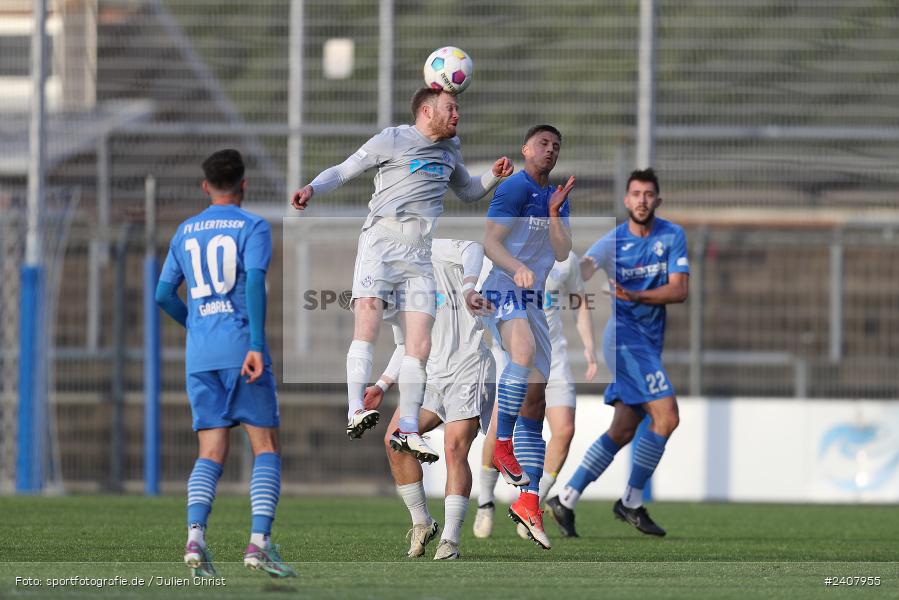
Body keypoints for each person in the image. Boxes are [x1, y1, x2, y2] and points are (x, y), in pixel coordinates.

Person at [291, 88, 512, 463]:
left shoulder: (450, 150)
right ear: (427, 111)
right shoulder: (392, 139)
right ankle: (354, 409)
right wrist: (312, 186)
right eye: (450, 107)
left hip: (420, 252)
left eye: (457, 107)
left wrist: (492, 176)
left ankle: (408, 428)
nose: (457, 113)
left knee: (419, 344)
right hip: (383, 241)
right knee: (368, 320)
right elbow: (344, 171)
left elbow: (469, 191)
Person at [155, 149, 296, 578]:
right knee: (265, 446)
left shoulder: (184, 231)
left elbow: (163, 296)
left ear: (205, 186)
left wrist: (196, 328)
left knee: (210, 451)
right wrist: (255, 343)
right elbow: (254, 280)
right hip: (241, 349)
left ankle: (195, 537)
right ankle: (259, 544)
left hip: (201, 356)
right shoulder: (252, 226)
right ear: (244, 184)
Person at [546, 167, 689, 538]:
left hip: (649, 340)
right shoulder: (613, 242)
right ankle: (631, 500)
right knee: (667, 416)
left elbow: (678, 290)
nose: (642, 200)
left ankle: (567, 497)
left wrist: (636, 294)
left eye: (648, 194)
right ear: (626, 200)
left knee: (624, 427)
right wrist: (556, 225)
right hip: (624, 340)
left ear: (657, 199)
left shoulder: (672, 236)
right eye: (635, 194)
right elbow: (583, 269)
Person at [364, 239, 495, 560]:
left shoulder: (433, 247)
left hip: (467, 365)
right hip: (429, 374)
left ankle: (450, 540)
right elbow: (406, 345)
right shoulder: (394, 287)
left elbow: (474, 248)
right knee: (395, 441)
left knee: (454, 449)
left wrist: (467, 288)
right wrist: (382, 383)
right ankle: (422, 522)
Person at [480, 124, 574, 549]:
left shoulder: (556, 196)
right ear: (525, 149)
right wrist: (514, 265)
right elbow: (490, 243)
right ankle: (500, 446)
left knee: (535, 398)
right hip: (503, 286)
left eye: (555, 146)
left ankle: (529, 500)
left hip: (534, 299)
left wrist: (555, 211)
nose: (549, 150)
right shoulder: (514, 188)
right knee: (522, 350)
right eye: (542, 143)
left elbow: (561, 252)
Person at [473, 251, 597, 539]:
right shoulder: (499, 259)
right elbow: (481, 305)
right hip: (514, 357)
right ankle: (486, 501)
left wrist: (590, 346)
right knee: (498, 430)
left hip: (554, 356)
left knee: (564, 430)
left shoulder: (565, 260)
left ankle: (531, 504)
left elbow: (579, 300)